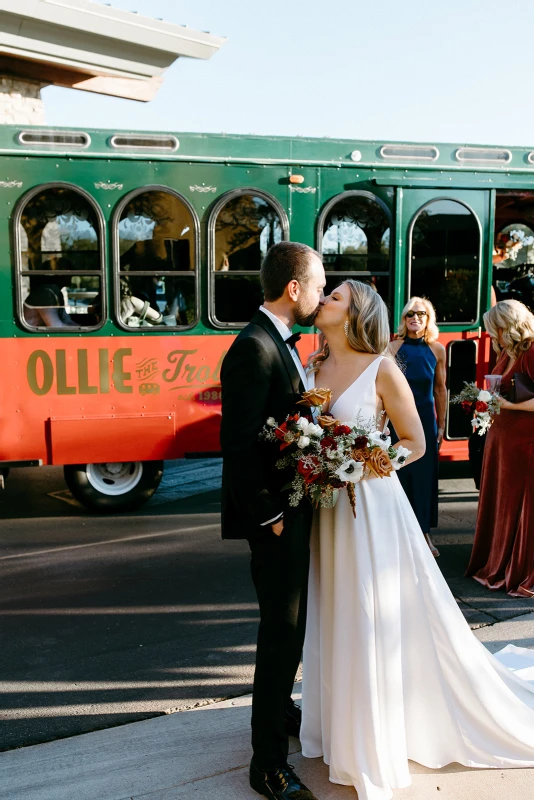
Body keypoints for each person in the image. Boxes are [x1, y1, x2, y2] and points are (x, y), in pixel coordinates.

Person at [300, 280, 534, 800]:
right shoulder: (311, 367)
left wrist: (366, 464)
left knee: (367, 608)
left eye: (333, 297)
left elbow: (416, 442)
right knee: (335, 606)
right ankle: (337, 725)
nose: (323, 302)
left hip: (372, 507)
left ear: (356, 312)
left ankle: (373, 734)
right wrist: (319, 464)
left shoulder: (383, 367)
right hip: (326, 510)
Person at [220, 241, 326, 800]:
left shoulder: (279, 344)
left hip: (293, 509)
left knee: (292, 629)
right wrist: (269, 517)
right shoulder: (253, 348)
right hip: (276, 518)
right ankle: (267, 766)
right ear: (294, 289)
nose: (320, 294)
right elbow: (236, 445)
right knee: (280, 634)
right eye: (317, 284)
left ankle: (281, 710)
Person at [466, 299, 534, 597]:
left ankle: (514, 566)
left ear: (510, 325)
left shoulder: (531, 351)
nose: (492, 334)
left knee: (516, 506)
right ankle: (498, 559)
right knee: (501, 503)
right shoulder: (508, 352)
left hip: (523, 444)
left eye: (496, 328)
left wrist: (504, 403)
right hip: (502, 442)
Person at [389, 297, 446, 557]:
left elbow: (440, 389)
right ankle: (397, 533)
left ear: (428, 318)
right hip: (397, 421)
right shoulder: (392, 347)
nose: (415, 318)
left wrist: (442, 424)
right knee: (399, 476)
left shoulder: (437, 350)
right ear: (404, 318)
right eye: (410, 313)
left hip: (425, 420)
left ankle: (424, 534)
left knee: (424, 479)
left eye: (421, 313)